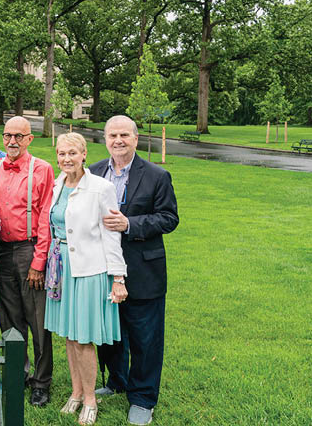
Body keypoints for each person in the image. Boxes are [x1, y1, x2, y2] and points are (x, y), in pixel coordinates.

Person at [90, 115, 179, 426]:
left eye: (124, 135)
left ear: (136, 139)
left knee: (145, 337)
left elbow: (169, 218)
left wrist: (131, 224)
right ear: (105, 139)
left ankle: (142, 398)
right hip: (103, 270)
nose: (118, 140)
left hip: (144, 270)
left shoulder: (157, 176)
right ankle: (117, 381)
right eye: (113, 135)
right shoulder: (95, 171)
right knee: (111, 334)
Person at [44, 132, 127, 426]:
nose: (66, 159)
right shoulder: (56, 185)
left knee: (83, 338)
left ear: (83, 155)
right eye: (61, 153)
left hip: (89, 271)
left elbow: (111, 233)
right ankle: (77, 392)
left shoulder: (100, 188)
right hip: (61, 269)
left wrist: (118, 277)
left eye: (72, 153)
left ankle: (91, 399)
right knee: (68, 335)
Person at [0, 116, 55, 407]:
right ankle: (19, 373)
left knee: (37, 320)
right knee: (10, 318)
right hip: (0, 251)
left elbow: (45, 218)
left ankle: (41, 382)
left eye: (19, 136)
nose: (12, 141)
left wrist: (39, 260)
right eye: (8, 135)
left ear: (29, 139)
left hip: (29, 249)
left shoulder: (42, 169)